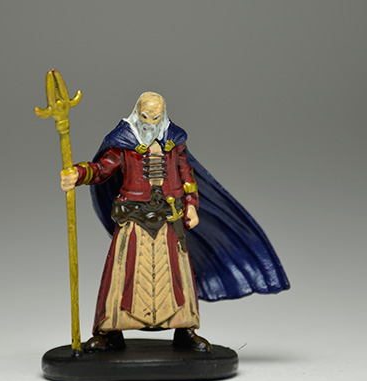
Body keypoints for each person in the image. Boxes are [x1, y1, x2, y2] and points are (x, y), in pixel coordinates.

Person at [61, 92, 290, 352]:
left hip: (170, 217)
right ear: (137, 113)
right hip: (133, 217)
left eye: (156, 117)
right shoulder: (123, 142)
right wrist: (78, 174)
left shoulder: (174, 140)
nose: (150, 122)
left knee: (177, 276)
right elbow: (103, 169)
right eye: (146, 116)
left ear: (163, 115)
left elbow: (186, 175)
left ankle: (185, 330)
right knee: (124, 274)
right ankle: (109, 332)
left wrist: (191, 205)